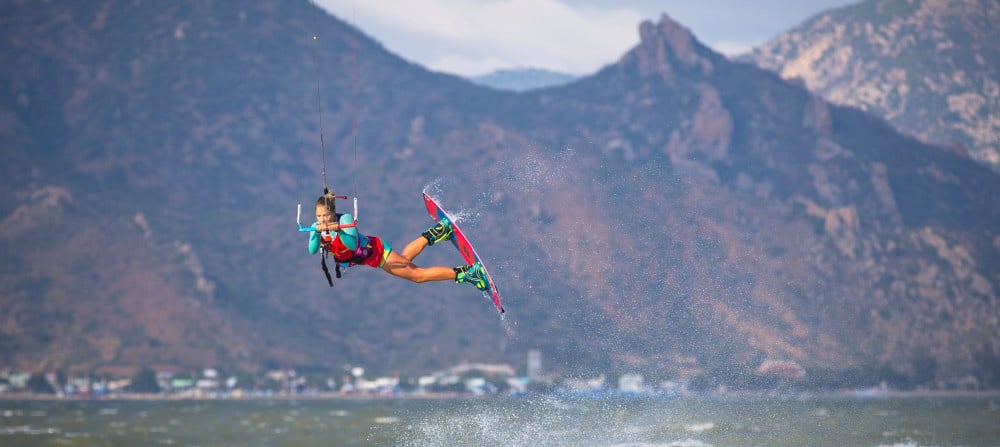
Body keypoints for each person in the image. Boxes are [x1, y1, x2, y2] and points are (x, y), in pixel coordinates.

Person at [308, 194, 488, 290]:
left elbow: (351, 245)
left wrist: (336, 228)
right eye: (319, 216)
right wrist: (317, 233)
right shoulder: (317, 227)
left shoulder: (344, 219)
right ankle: (438, 232)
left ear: (333, 212)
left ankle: (469, 274)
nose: (322, 219)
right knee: (406, 258)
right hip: (373, 259)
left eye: (325, 215)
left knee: (418, 276)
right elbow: (312, 250)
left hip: (378, 252)